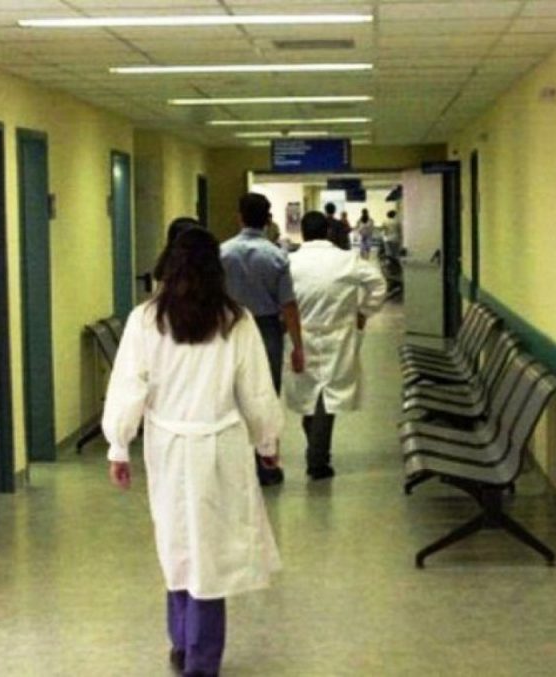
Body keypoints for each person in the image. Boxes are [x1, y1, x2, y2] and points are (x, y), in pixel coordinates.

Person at [103, 228, 283, 677]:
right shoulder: (235, 320)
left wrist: (119, 445)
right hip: (220, 446)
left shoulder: (146, 320)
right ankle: (202, 658)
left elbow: (128, 387)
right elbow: (257, 391)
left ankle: (182, 643)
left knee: (177, 543)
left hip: (168, 447)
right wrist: (267, 441)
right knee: (210, 553)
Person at [284, 211, 388, 479]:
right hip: (338, 336)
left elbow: (280, 297)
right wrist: (363, 312)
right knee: (326, 397)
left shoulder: (290, 262)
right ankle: (318, 458)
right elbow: (378, 284)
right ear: (328, 232)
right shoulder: (347, 260)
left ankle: (317, 454)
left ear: (303, 233)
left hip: (301, 335)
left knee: (310, 396)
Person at [220, 192, 305, 486]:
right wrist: (298, 346)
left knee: (231, 394)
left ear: (239, 217)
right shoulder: (277, 257)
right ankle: (266, 464)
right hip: (267, 329)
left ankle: (235, 466)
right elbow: (288, 305)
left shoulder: (222, 253)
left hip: (229, 327)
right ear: (268, 220)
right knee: (265, 394)